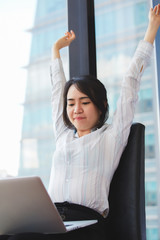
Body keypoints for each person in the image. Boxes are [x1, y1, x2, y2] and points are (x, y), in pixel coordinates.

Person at [1, 4, 160, 240]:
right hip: (52, 220)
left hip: (88, 225)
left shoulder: (112, 137)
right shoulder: (64, 136)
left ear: (101, 105)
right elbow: (57, 92)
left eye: (84, 102)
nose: (76, 110)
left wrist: (151, 30)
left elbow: (130, 82)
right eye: (71, 103)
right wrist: (55, 50)